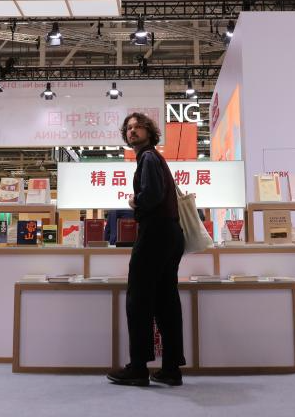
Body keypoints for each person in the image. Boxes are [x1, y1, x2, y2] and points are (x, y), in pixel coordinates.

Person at [107, 112, 185, 388]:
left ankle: (138, 368)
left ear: (149, 132)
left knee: (139, 300)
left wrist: (135, 202)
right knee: (166, 300)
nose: (132, 131)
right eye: (129, 128)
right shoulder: (153, 158)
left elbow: (151, 196)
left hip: (155, 233)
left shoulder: (148, 158)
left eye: (138, 126)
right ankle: (171, 369)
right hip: (170, 234)